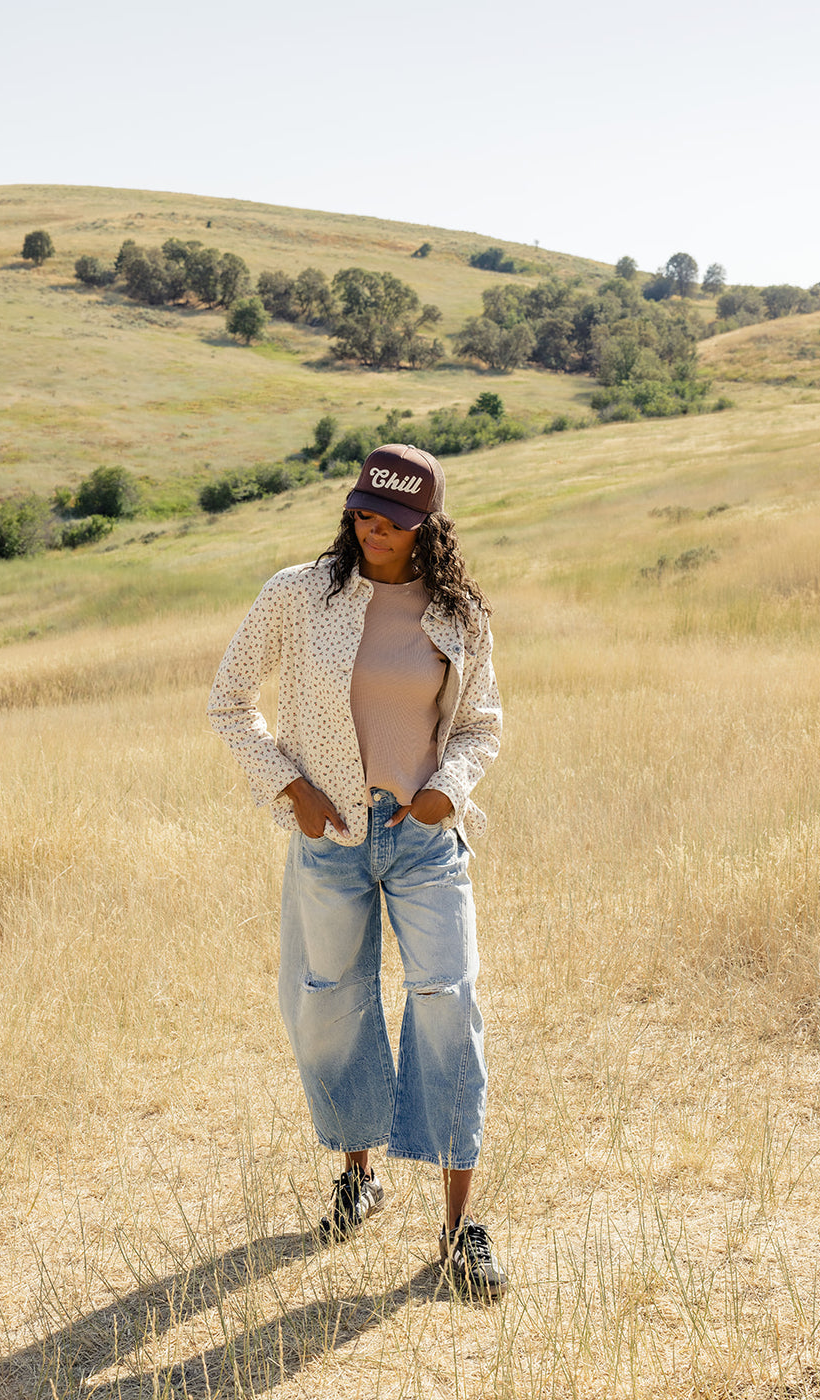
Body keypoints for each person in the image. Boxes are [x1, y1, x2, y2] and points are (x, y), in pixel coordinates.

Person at [207, 444, 506, 1300]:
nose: (375, 530)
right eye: (366, 512)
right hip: (329, 835)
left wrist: (447, 789)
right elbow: (229, 700)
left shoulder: (458, 613)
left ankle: (458, 1229)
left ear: (428, 527)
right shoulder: (299, 594)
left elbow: (482, 723)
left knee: (449, 1001)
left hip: (422, 838)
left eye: (397, 520)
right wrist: (289, 785)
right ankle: (358, 1172)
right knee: (333, 1001)